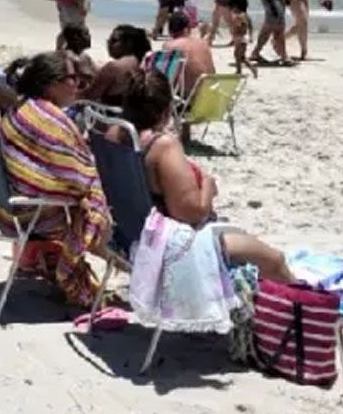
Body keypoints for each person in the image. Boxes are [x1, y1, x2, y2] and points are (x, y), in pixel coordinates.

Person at [115, 68, 294, 283]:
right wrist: (209, 185)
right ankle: (308, 301)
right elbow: (192, 214)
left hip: (132, 236)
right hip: (174, 247)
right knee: (276, 261)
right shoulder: (162, 147)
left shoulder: (115, 135)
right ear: (165, 111)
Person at [0, 51, 112, 307]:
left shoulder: (23, 108)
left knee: (92, 198)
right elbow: (77, 178)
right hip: (33, 213)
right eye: (72, 78)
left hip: (4, 206)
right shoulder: (52, 121)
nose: (78, 85)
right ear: (50, 83)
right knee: (96, 207)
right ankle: (74, 269)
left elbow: (53, 168)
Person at [83, 24, 152, 106]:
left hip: (111, 111)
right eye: (108, 40)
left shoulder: (113, 67)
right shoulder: (141, 62)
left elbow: (88, 96)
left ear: (129, 44)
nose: (108, 44)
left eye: (114, 41)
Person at [163, 9, 216, 96]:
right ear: (188, 28)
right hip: (209, 93)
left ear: (169, 31)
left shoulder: (169, 46)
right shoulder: (203, 43)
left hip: (189, 97)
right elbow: (212, 71)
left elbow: (167, 75)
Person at [58, 22, 97, 90]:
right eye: (86, 34)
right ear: (76, 37)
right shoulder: (67, 57)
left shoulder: (85, 56)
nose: (89, 37)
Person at [228, 0, 257, 78]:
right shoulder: (245, 15)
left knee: (238, 55)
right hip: (241, 38)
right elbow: (250, 26)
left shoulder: (240, 16)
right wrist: (251, 36)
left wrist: (236, 26)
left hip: (241, 38)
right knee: (240, 56)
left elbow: (240, 25)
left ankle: (243, 70)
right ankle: (242, 70)